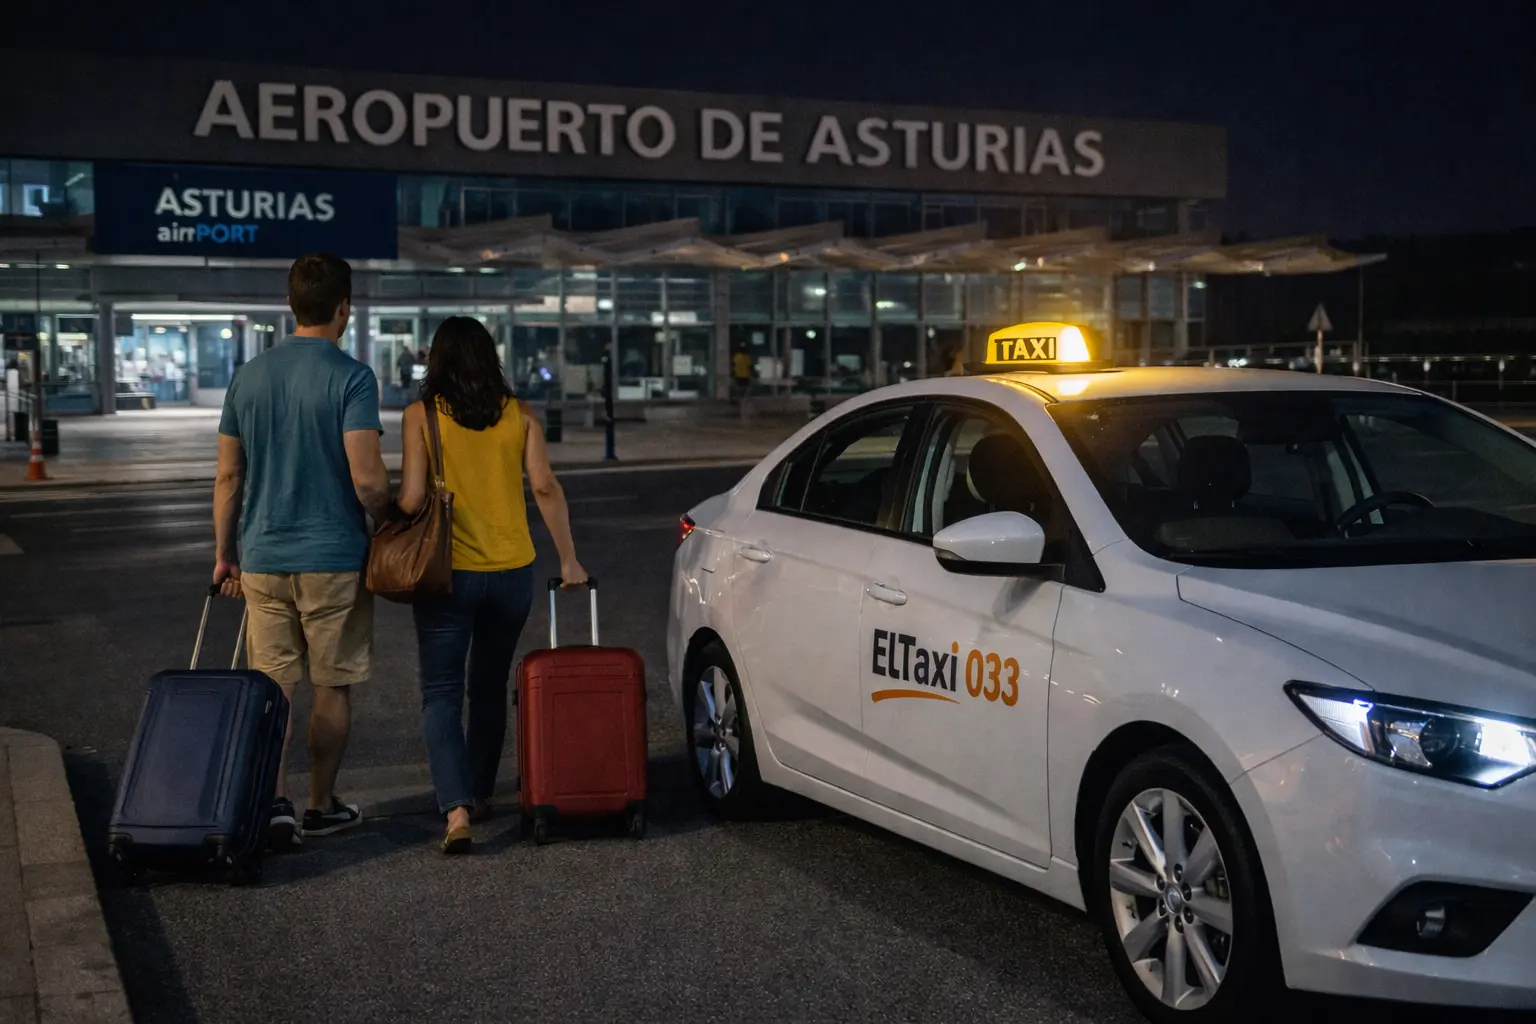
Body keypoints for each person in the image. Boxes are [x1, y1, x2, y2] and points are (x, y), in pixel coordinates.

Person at [213, 253, 390, 851]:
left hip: (263, 556)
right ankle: (320, 804)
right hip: (334, 557)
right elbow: (367, 479)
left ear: (291, 305)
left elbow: (228, 477)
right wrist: (390, 520)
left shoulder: (248, 377)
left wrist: (225, 554)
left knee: (274, 689)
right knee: (331, 685)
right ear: (344, 308)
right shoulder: (353, 377)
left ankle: (274, 806)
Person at [395, 316, 587, 855]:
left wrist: (383, 517)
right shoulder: (520, 414)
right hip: (511, 573)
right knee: (488, 685)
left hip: (447, 576)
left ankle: (455, 811)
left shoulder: (421, 416)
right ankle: (480, 792)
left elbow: (412, 499)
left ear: (437, 360)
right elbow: (544, 487)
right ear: (490, 359)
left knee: (441, 691)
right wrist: (569, 558)